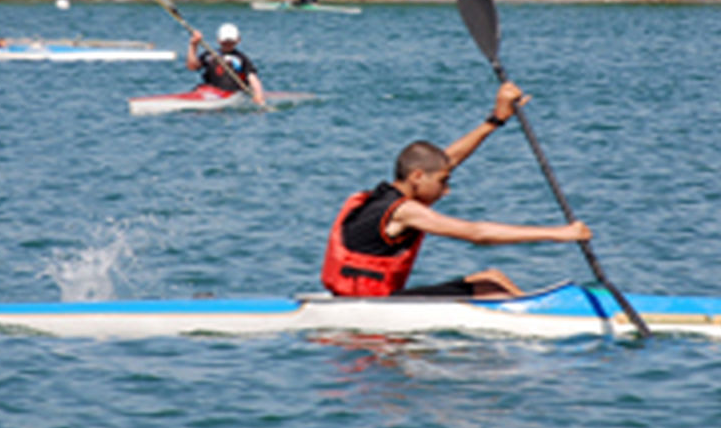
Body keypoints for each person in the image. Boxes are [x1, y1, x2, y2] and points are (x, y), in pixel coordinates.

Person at [321, 81, 591, 299]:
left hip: (366, 297)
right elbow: (476, 233)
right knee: (492, 286)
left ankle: (538, 311)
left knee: (492, 279)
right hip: (368, 306)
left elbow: (445, 160)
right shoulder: (405, 211)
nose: (446, 191)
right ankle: (546, 320)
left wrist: (495, 121)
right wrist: (559, 234)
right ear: (417, 177)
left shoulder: (387, 194)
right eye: (443, 182)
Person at [185, 22, 267, 106]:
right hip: (209, 91)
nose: (228, 44)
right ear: (218, 40)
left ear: (238, 40)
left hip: (231, 93)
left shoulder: (242, 59)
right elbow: (192, 66)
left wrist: (258, 94)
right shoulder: (209, 54)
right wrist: (193, 45)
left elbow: (253, 78)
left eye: (231, 42)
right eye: (225, 42)